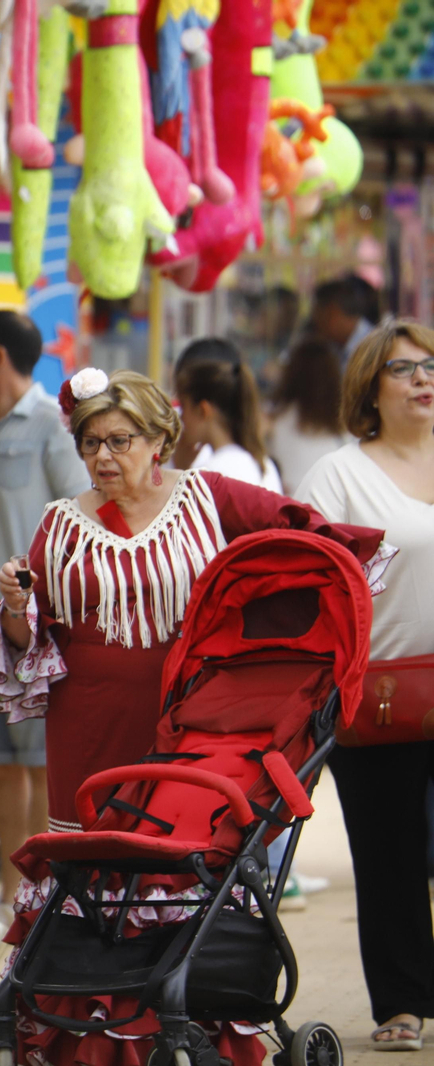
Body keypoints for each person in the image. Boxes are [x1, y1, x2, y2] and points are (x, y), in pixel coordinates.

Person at [0, 367, 387, 1066]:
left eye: (120, 439)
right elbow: (29, 646)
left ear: (161, 436)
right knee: (94, 869)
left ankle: (186, 1015)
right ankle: (87, 1037)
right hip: (88, 723)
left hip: (192, 720)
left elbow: (306, 539)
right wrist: (14, 607)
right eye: (91, 441)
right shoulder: (58, 524)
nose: (104, 456)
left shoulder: (209, 497)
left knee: (181, 858)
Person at [297, 320, 434, 1053]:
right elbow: (302, 579)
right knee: (389, 855)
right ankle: (404, 1004)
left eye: (431, 365)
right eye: (403, 368)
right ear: (370, 389)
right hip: (377, 696)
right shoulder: (337, 476)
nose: (423, 378)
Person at [0, 311, 89, 909]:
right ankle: (15, 895)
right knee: (1, 765)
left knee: (39, 765)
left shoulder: (52, 427)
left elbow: (80, 515)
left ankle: (47, 893)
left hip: (38, 625)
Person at [174, 338, 283, 492]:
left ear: (203, 410)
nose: (180, 417)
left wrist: (180, 474)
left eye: (183, 407)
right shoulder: (264, 465)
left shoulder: (209, 475)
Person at [267, 337, 351, 494]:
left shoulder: (273, 421)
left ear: (291, 374)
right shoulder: (345, 429)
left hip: (285, 510)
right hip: (327, 513)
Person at [311, 274, 382, 365]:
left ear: (332, 312)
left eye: (318, 315)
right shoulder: (335, 350)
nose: (316, 324)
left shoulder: (374, 349)